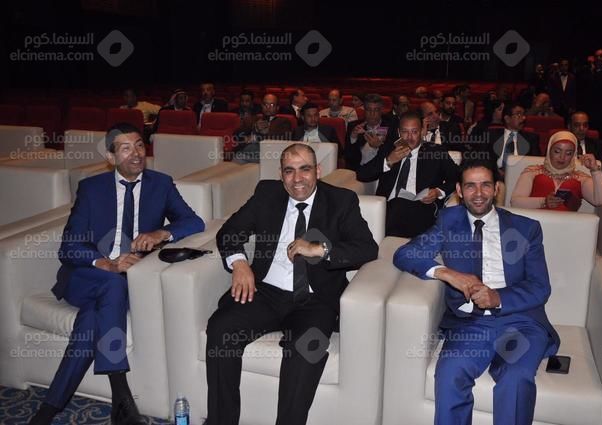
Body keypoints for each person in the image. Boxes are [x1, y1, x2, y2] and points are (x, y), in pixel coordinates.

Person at [28, 123, 205, 425]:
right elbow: (69, 246)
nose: (136, 153)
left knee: (91, 321)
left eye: (139, 145)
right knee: (112, 283)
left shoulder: (160, 184)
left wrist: (161, 233)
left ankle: (47, 410)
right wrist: (107, 264)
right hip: (88, 275)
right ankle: (121, 395)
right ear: (111, 157)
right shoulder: (91, 188)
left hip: (127, 280)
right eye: (125, 148)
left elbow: (194, 221)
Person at [206, 143, 378, 425]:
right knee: (220, 328)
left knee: (307, 349)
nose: (297, 179)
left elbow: (367, 249)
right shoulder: (267, 194)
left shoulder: (341, 200)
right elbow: (230, 231)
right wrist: (239, 263)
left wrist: (319, 249)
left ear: (318, 171)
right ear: (281, 174)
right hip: (265, 293)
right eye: (289, 171)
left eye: (305, 169)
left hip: (316, 301)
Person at [393, 158, 560, 425]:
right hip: (471, 324)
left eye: (486, 185)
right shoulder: (449, 222)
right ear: (459, 190)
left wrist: (498, 298)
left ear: (496, 189)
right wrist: (448, 274)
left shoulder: (525, 228)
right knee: (449, 375)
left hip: (520, 322)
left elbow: (540, 287)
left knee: (515, 378)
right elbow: (405, 254)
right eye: (470, 186)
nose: (478, 193)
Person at [357, 112, 459, 237]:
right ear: (399, 132)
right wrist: (388, 162)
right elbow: (362, 175)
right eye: (405, 132)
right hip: (387, 208)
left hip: (422, 208)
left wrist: (438, 191)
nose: (409, 137)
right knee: (394, 207)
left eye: (414, 132)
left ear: (422, 132)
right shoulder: (389, 150)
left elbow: (457, 177)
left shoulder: (436, 152)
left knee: (397, 205)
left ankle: (373, 238)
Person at [511, 130, 602, 211]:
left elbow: (601, 201)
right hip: (536, 224)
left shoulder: (580, 178)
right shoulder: (532, 171)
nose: (562, 157)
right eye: (557, 151)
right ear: (549, 150)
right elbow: (515, 202)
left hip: (568, 226)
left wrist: (595, 170)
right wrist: (543, 202)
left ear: (573, 155)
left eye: (568, 153)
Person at [234, 93, 293, 163]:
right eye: (265, 104)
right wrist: (255, 128)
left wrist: (262, 134)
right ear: (262, 106)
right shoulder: (252, 119)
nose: (268, 107)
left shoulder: (283, 122)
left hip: (267, 155)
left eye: (272, 105)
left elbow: (283, 140)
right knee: (237, 158)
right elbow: (236, 135)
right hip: (245, 152)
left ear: (277, 108)